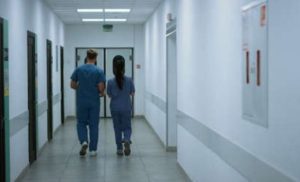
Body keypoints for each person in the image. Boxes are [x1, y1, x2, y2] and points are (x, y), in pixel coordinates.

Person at [70, 49, 106, 157]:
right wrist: (102, 93)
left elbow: (72, 85)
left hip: (81, 101)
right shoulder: (99, 71)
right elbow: (100, 87)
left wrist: (80, 88)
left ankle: (84, 141)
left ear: (87, 56)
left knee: (81, 123)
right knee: (93, 125)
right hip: (94, 102)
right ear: (95, 58)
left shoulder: (79, 69)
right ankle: (93, 150)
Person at [107, 55, 135, 156]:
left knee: (117, 128)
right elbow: (132, 93)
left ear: (113, 69)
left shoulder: (110, 82)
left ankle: (119, 148)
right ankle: (127, 140)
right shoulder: (129, 80)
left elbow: (109, 95)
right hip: (126, 107)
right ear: (124, 68)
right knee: (127, 127)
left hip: (115, 108)